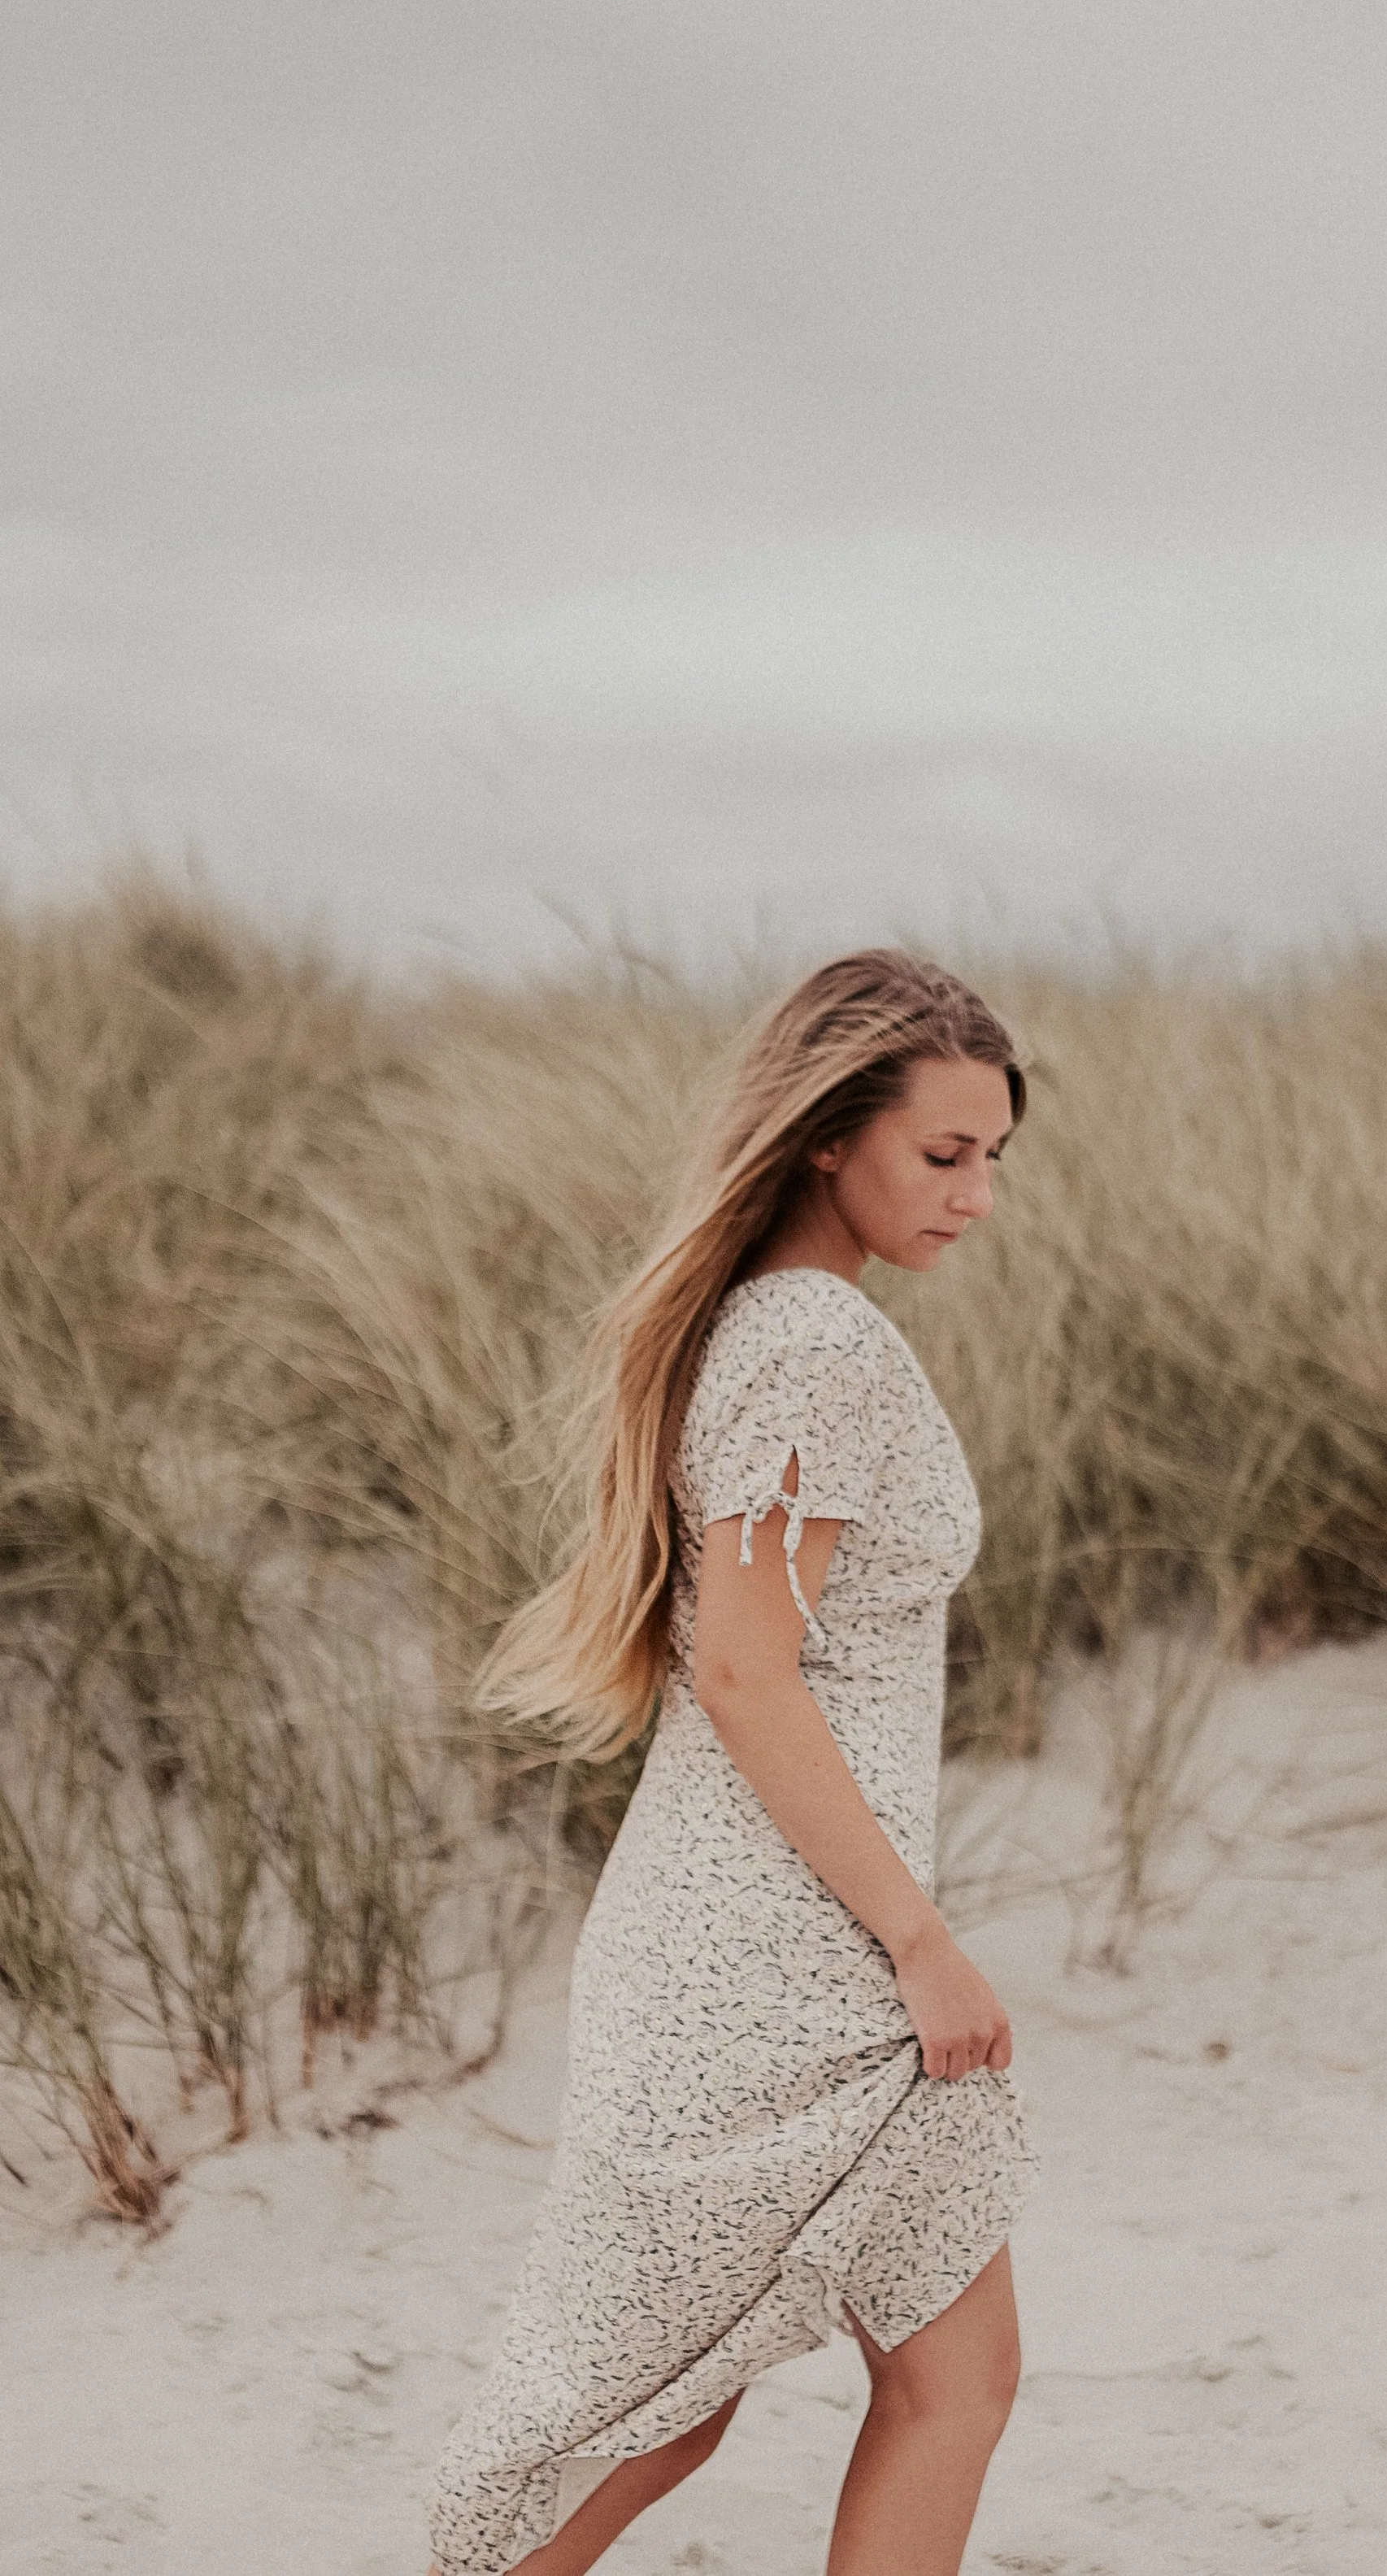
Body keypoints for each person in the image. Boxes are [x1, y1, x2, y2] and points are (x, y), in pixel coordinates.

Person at [427, 950, 1039, 2576]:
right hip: (779, 1971)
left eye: (997, 1155)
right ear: (831, 1138)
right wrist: (921, 1939)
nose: (981, 1193)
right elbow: (749, 1675)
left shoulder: (772, 1324)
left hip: (772, 1944)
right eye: (946, 1153)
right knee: (655, 2410)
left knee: (942, 2376)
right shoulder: (814, 1343)